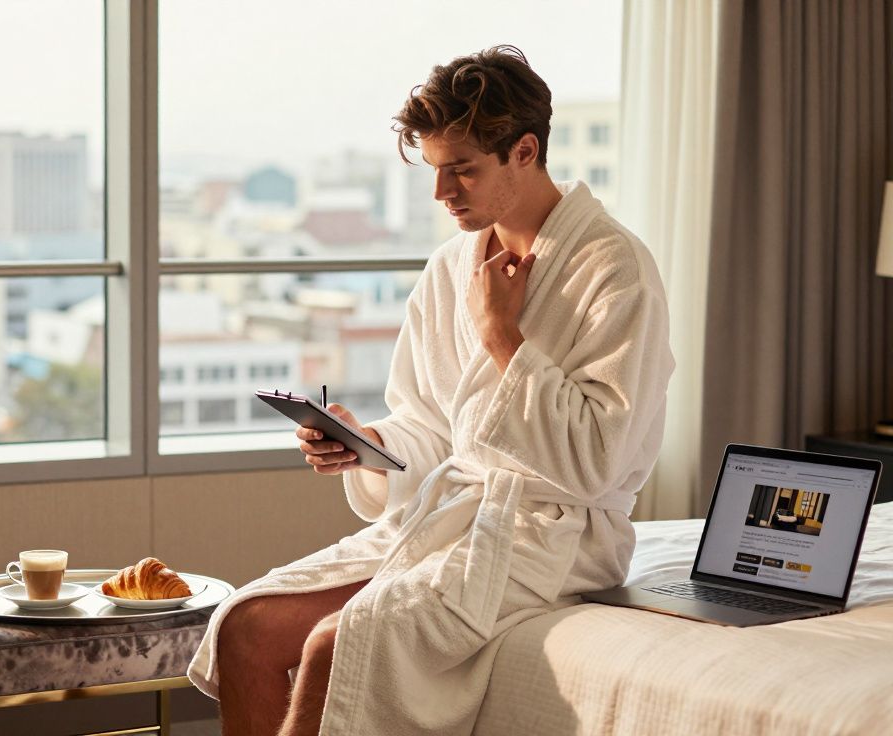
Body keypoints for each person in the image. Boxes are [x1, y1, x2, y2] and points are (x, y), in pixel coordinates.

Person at [187, 45, 675, 736]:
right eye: (434, 170)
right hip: (452, 514)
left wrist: (503, 336)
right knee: (247, 625)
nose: (442, 193)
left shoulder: (615, 268)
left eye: (462, 169)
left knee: (333, 646)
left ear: (525, 151)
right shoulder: (451, 266)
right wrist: (368, 446)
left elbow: (598, 458)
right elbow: (431, 426)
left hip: (553, 534)